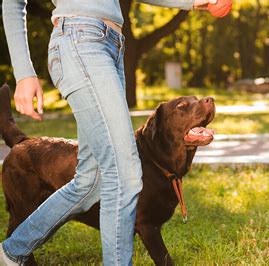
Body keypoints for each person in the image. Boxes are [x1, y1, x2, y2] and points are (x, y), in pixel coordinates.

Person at [0, 0, 216, 265]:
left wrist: (192, 1)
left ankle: (11, 252)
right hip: (81, 39)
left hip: (111, 44)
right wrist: (23, 72)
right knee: (124, 174)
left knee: (89, 181)